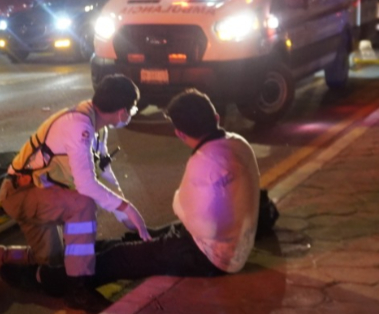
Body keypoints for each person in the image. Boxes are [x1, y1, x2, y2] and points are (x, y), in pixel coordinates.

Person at [0, 74, 151, 304]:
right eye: (131, 110)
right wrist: (125, 207)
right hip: (20, 195)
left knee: (53, 261)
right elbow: (85, 184)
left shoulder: (97, 126)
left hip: (43, 194)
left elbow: (105, 175)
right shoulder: (79, 126)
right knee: (82, 203)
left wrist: (128, 218)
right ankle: (77, 287)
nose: (130, 115)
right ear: (122, 112)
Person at [92, 89, 261, 282]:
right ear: (216, 117)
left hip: (211, 256)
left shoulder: (204, 160)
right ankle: (84, 251)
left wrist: (179, 203)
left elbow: (199, 224)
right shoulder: (239, 142)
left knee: (121, 257)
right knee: (144, 236)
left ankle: (62, 277)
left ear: (180, 133)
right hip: (238, 245)